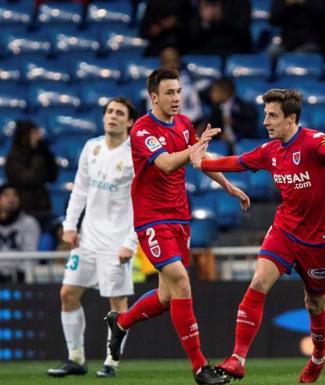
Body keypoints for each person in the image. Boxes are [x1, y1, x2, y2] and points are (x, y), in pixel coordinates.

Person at [189, 88, 325, 383]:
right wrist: (203, 163)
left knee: (314, 304)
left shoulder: (314, 142)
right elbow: (238, 162)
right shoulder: (271, 151)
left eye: (272, 116)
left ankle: (318, 355)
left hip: (321, 240)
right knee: (259, 281)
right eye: (266, 114)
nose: (266, 121)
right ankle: (237, 359)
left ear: (291, 118)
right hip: (285, 230)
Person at [104, 69, 249, 385]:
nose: (176, 98)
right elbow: (167, 162)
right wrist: (194, 151)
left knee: (168, 296)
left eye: (179, 92)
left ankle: (122, 322)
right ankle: (200, 368)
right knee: (182, 282)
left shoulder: (183, 124)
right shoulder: (142, 129)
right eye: (169, 93)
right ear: (154, 97)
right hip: (152, 220)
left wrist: (227, 185)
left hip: (179, 218)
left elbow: (199, 157)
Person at [46, 97, 139, 378]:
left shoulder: (135, 155)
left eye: (119, 113)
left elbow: (143, 202)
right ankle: (76, 358)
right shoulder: (92, 147)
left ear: (130, 122)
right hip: (87, 238)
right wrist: (70, 225)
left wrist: (130, 242)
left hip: (116, 240)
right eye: (109, 111)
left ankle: (111, 362)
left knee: (117, 303)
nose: (113, 116)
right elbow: (80, 191)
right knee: (68, 294)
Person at [5, 120, 58, 228]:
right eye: (35, 133)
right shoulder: (14, 158)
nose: (39, 136)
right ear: (25, 136)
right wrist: (38, 156)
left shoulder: (42, 153)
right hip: (25, 210)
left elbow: (53, 176)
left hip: (44, 208)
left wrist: (47, 155)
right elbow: (30, 179)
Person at [0, 184, 40, 283]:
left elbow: (30, 253)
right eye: (6, 195)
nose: (11, 198)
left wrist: (25, 278)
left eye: (15, 195)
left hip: (19, 277)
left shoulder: (29, 222)